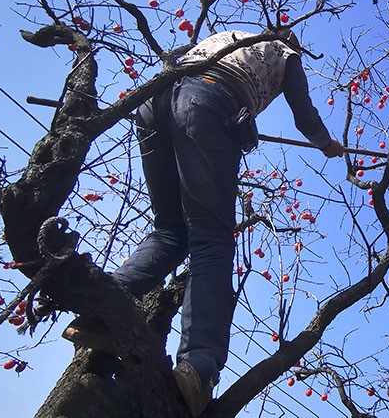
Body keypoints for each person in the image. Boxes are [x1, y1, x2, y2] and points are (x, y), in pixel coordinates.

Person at [62, 28, 343, 416]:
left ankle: (99, 312)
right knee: (212, 240)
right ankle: (199, 365)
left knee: (170, 231)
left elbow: (181, 65)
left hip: (154, 102)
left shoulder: (230, 35)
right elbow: (304, 116)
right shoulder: (286, 54)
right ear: (290, 40)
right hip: (207, 104)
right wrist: (327, 144)